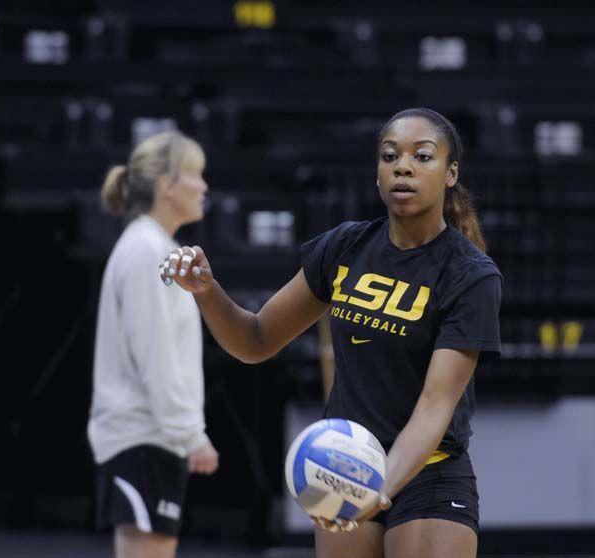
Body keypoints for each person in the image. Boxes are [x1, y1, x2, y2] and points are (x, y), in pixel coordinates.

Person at [160, 108, 502, 558]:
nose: (403, 166)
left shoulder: (469, 275)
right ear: (377, 174)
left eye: (423, 156)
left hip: (429, 476)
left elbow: (434, 409)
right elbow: (256, 340)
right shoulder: (345, 246)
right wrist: (206, 290)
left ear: (451, 173)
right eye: (389, 155)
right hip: (345, 470)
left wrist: (375, 488)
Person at [88, 130, 219, 558]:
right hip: (142, 439)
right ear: (166, 184)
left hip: (150, 439)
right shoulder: (148, 251)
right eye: (196, 175)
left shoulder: (158, 247)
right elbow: (156, 356)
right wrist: (190, 433)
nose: (204, 186)